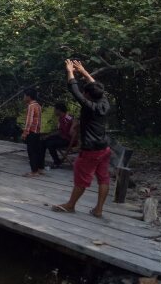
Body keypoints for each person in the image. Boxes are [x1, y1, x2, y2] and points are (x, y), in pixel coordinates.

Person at [52, 60, 111, 218]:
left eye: (86, 93)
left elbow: (74, 90)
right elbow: (96, 86)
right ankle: (98, 210)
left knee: (82, 177)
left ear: (88, 96)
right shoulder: (104, 102)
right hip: (104, 148)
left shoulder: (89, 106)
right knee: (103, 178)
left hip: (91, 150)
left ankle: (70, 205)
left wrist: (70, 71)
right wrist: (83, 71)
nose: (84, 94)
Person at [41, 102, 76, 168]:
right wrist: (48, 135)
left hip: (68, 140)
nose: (54, 111)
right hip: (62, 137)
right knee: (44, 140)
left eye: (55, 110)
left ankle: (57, 162)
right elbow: (59, 131)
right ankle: (40, 161)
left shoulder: (67, 117)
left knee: (50, 143)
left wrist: (73, 126)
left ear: (59, 110)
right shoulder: (60, 118)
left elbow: (75, 120)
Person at [22, 88, 43, 177]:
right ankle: (39, 169)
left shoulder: (31, 106)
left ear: (29, 97)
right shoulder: (38, 105)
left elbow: (29, 120)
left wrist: (25, 132)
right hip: (37, 131)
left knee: (32, 152)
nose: (23, 98)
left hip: (32, 132)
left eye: (24, 96)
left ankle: (34, 171)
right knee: (37, 151)